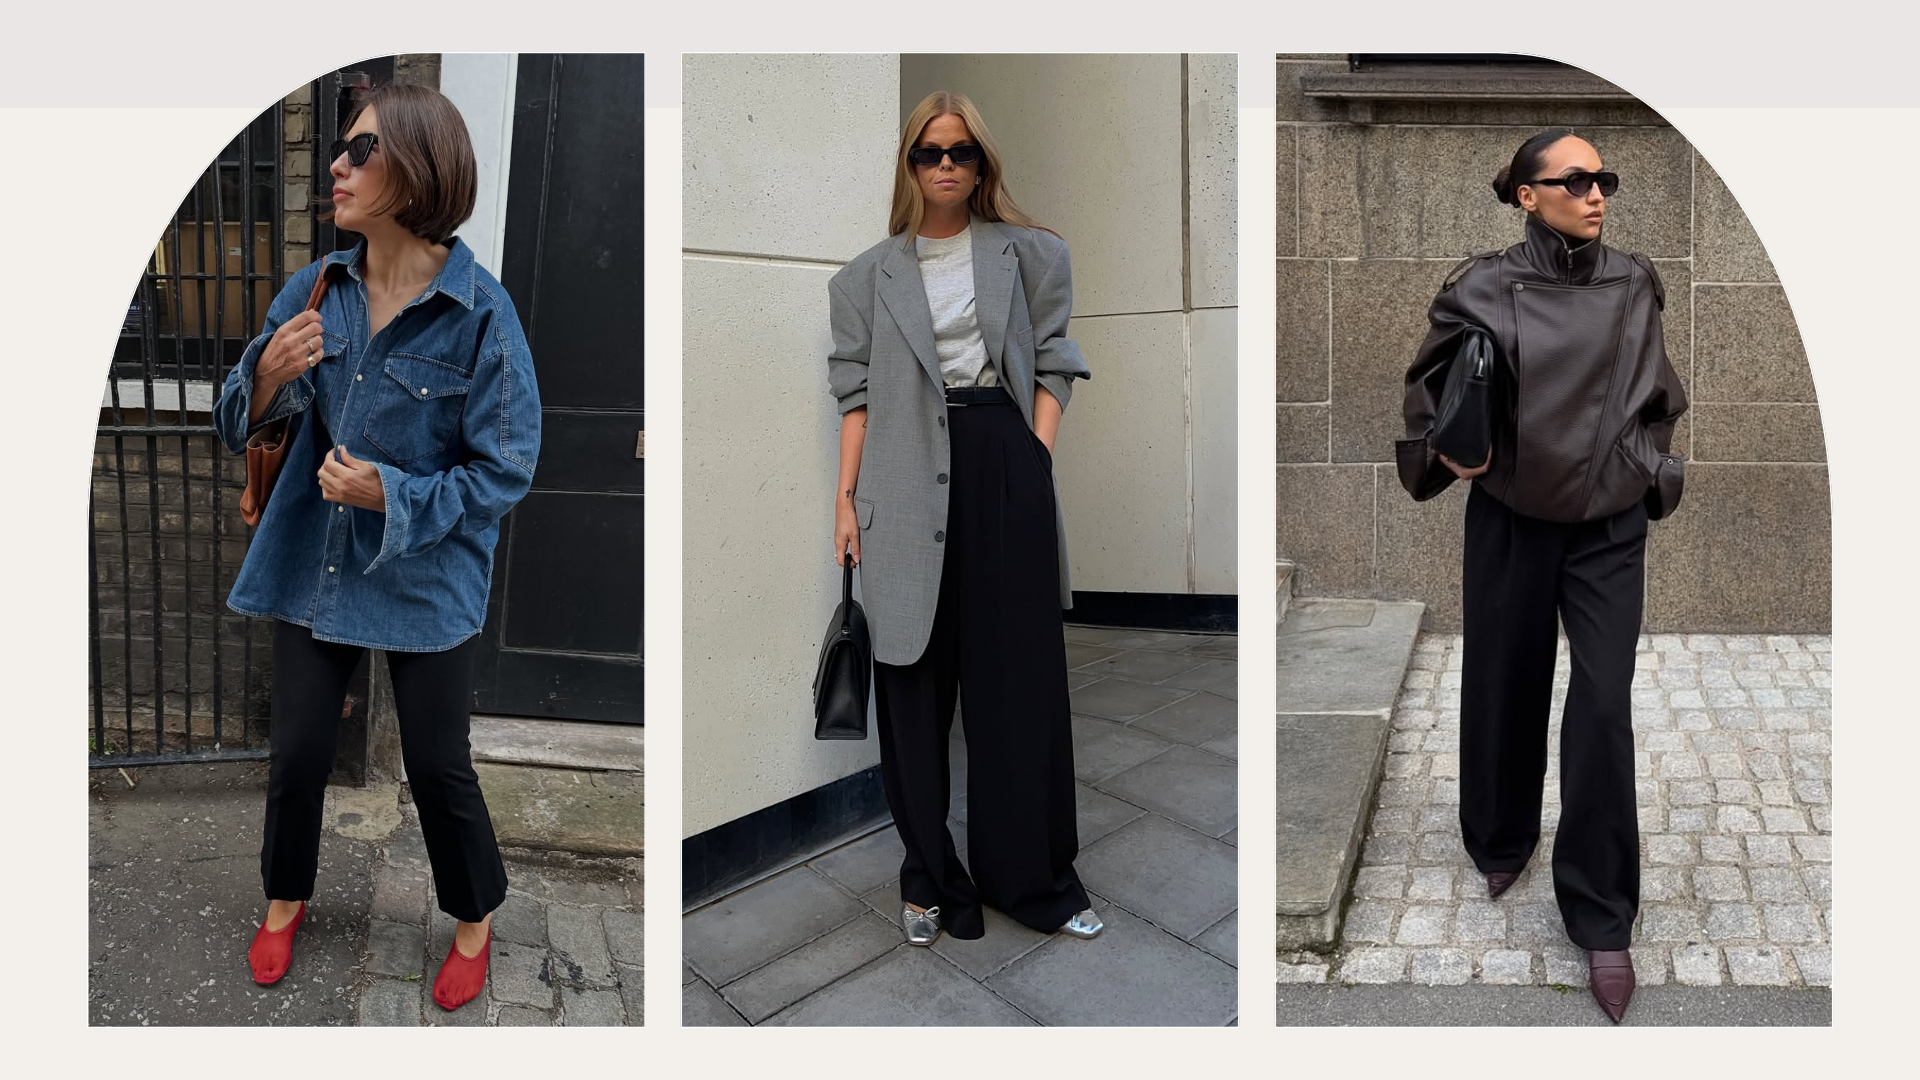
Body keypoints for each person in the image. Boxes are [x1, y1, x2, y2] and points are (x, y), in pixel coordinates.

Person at [211, 83, 541, 1012]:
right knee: (300, 752)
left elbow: (507, 468)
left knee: (438, 764)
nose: (338, 167)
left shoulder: (481, 314)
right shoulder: (317, 289)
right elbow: (237, 420)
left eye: (361, 151)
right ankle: (286, 896)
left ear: (419, 167)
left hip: (425, 574)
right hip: (315, 565)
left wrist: (389, 492)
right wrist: (268, 375)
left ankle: (473, 917)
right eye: (338, 151)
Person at [1397, 129, 1687, 1024]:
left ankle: (1602, 917)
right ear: (1528, 195)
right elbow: (1425, 389)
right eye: (1576, 180)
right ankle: (1498, 834)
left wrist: (1644, 467)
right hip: (1515, 517)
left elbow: (1659, 395)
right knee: (1504, 680)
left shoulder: (1634, 280)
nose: (1596, 193)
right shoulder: (1481, 284)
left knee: (1601, 706)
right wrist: (1454, 451)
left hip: (1607, 525)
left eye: (1605, 178)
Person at [825, 91, 1100, 946]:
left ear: (983, 164)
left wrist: (1036, 456)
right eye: (929, 153)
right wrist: (845, 498)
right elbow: (858, 397)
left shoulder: (1030, 253)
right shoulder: (866, 276)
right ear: (908, 165)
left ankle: (1034, 881)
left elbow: (1056, 362)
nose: (946, 165)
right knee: (911, 683)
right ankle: (928, 878)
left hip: (1002, 460)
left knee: (1016, 687)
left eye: (962, 152)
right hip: (901, 480)